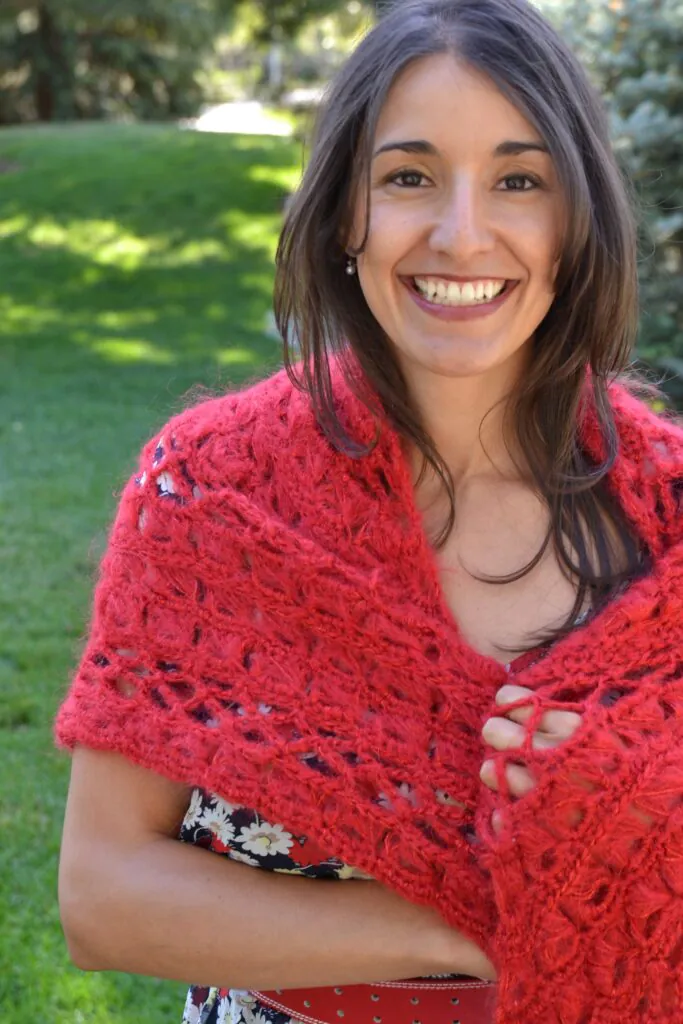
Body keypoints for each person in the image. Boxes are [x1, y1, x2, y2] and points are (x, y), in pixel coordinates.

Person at [56, 0, 683, 1022]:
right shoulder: (213, 496)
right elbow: (101, 895)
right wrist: (461, 928)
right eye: (407, 177)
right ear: (344, 213)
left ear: (576, 222)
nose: (460, 233)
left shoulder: (667, 515)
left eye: (518, 180)